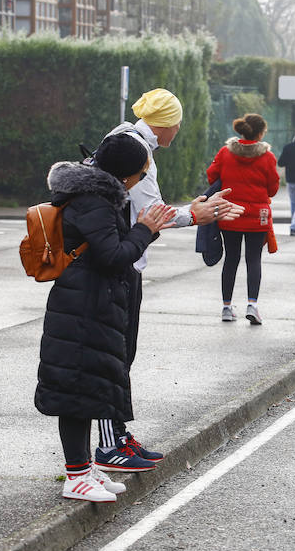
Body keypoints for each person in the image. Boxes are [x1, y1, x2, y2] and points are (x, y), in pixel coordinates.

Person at [95, 89, 244, 472]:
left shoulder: (125, 138)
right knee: (115, 356)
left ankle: (117, 435)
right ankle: (109, 445)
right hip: (122, 263)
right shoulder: (137, 152)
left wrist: (194, 210)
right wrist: (196, 214)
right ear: (168, 123)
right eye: (178, 122)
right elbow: (152, 213)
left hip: (124, 258)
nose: (179, 129)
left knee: (120, 354)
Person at [36, 136, 176, 501]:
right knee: (76, 391)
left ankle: (84, 469)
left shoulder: (95, 196)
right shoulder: (95, 201)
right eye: (141, 172)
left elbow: (112, 248)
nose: (142, 178)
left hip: (90, 304)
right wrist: (145, 228)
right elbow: (114, 255)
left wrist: (147, 229)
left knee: (87, 388)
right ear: (125, 174)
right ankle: (75, 475)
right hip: (83, 307)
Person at [207, 114, 279, 325]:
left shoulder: (225, 152)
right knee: (253, 259)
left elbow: (212, 175)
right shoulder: (267, 157)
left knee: (231, 258)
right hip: (258, 216)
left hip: (229, 212)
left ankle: (227, 307)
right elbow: (273, 188)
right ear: (260, 133)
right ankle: (252, 305)